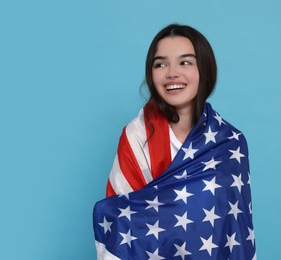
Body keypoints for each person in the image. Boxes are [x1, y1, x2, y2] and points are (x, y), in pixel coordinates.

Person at [94, 24, 256, 260]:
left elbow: (236, 229)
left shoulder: (229, 143)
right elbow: (120, 219)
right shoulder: (135, 135)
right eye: (161, 64)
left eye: (185, 62)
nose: (172, 73)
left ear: (204, 69)